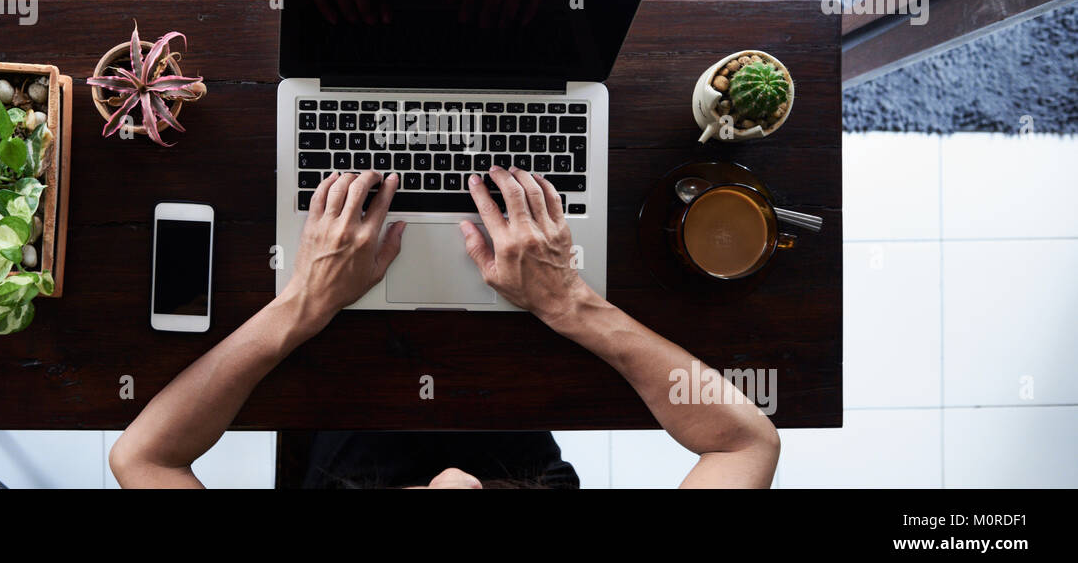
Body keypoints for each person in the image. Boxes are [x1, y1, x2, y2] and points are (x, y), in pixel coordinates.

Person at [109, 168, 780, 489]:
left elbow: (143, 457)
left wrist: (305, 302)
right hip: (511, 412)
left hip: (341, 399)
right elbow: (743, 444)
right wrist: (571, 302)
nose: (452, 488)